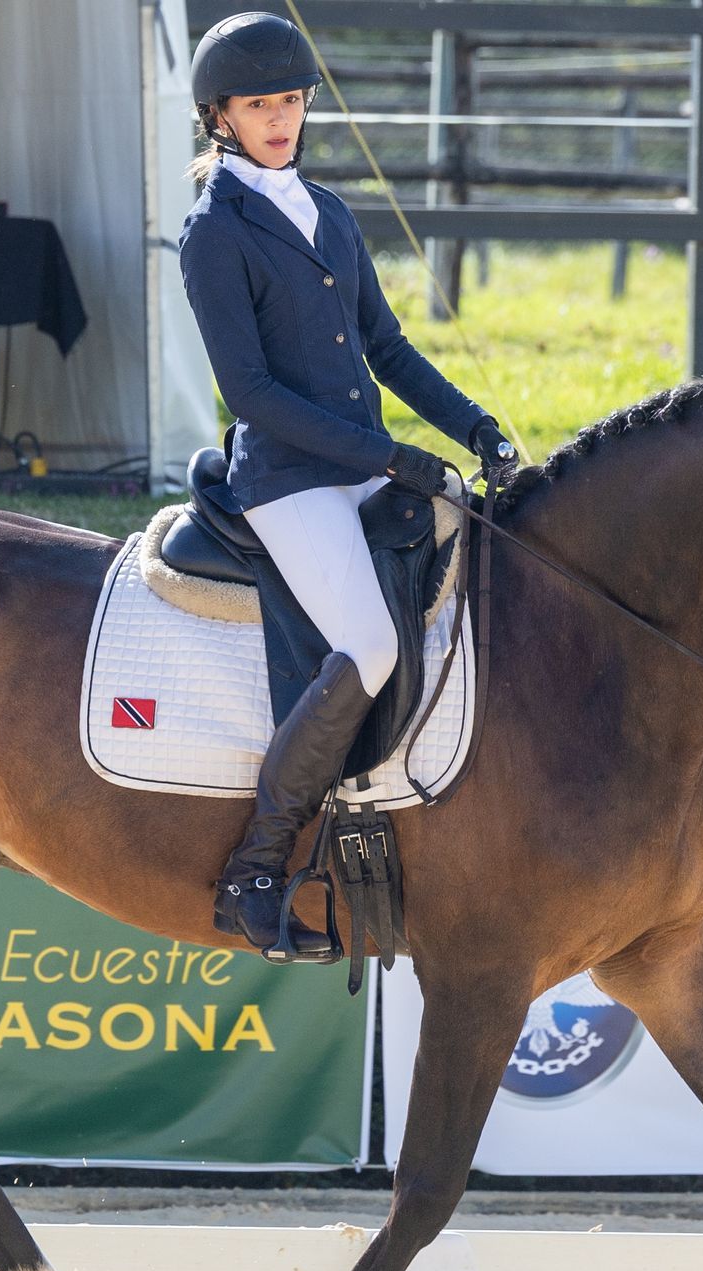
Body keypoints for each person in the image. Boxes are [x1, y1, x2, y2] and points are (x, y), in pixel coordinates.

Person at [179, 12, 514, 964]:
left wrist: (472, 424)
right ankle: (257, 864)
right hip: (289, 483)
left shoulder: (326, 210)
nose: (279, 120)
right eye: (259, 106)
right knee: (367, 642)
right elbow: (250, 394)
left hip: (360, 466)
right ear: (222, 117)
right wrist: (390, 459)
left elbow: (389, 347)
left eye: (290, 101)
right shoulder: (214, 231)